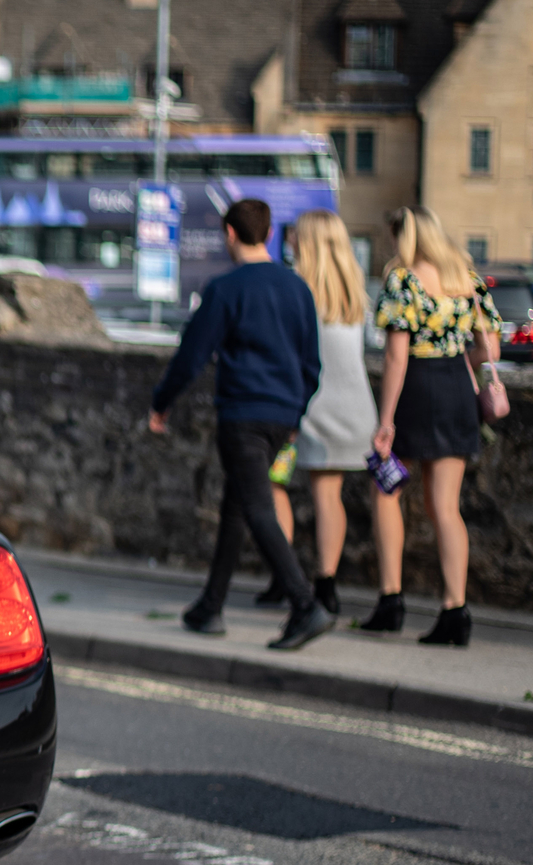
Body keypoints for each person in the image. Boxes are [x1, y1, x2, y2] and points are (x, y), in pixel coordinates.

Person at [148, 197, 333, 651]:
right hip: (282, 415)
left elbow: (192, 354)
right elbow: (312, 363)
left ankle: (305, 604)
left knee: (255, 508)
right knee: (236, 505)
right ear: (268, 234)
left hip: (243, 413)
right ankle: (210, 606)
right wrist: (297, 412)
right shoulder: (298, 289)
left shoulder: (226, 289)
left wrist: (161, 403)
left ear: (230, 234)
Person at [363, 208, 501, 646]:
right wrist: (458, 359)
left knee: (386, 488)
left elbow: (395, 357)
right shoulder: (467, 279)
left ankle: (391, 599)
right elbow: (489, 345)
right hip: (458, 389)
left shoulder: (404, 280)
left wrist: (385, 421)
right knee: (446, 506)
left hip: (416, 391)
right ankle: (455, 609)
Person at [258, 212, 377, 619]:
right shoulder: (354, 291)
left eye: (295, 235)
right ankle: (326, 583)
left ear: (305, 242)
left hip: (307, 407)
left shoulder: (296, 289)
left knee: (273, 484)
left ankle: (283, 574)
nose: (289, 240)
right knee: (329, 497)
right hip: (355, 407)